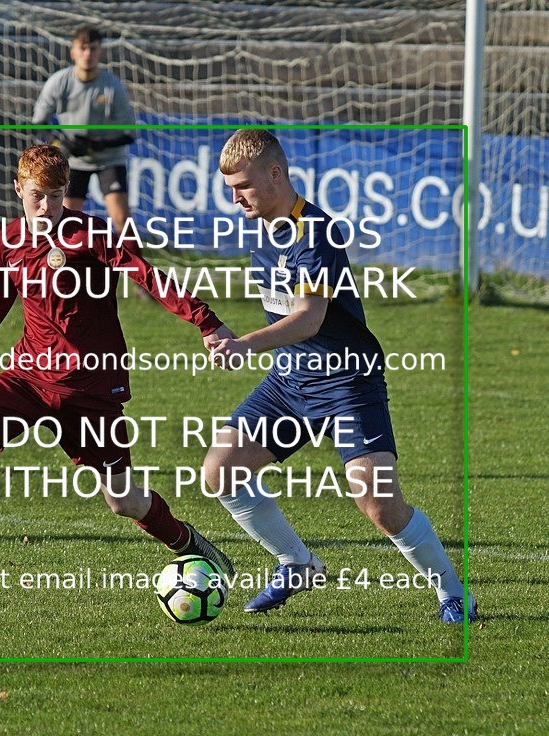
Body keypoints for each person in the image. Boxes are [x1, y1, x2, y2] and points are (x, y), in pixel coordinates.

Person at [0, 144, 235, 579]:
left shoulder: (92, 235)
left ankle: (190, 543)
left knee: (124, 501)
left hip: (89, 389)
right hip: (28, 377)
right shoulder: (6, 243)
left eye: (56, 195)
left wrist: (205, 321)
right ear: (18, 188)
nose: (47, 205)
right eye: (38, 194)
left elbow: (146, 276)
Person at [203, 129, 476, 623]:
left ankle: (454, 593)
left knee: (379, 506)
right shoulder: (265, 230)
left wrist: (245, 344)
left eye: (241, 185)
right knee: (221, 470)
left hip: (347, 382)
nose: (235, 197)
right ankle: (296, 563)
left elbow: (309, 317)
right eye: (229, 188)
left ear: (275, 173)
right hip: (290, 382)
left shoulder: (317, 232)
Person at [32, 25, 135, 241]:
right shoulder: (59, 82)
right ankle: (64, 270)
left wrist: (97, 143)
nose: (87, 54)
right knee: (66, 222)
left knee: (122, 220)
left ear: (100, 52)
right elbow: (38, 123)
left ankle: (138, 274)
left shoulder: (113, 86)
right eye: (83, 48)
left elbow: (129, 133)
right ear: (73, 52)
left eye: (93, 49)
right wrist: (60, 144)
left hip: (108, 160)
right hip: (71, 161)